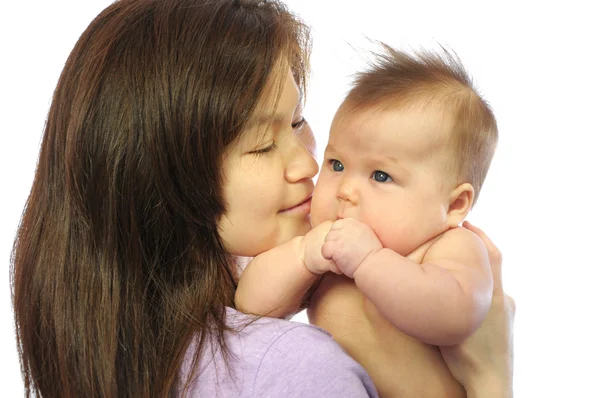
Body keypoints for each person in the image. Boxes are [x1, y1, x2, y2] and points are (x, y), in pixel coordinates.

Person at [9, 0, 514, 397]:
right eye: (262, 144)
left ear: (455, 203)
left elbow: (451, 309)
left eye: (298, 122)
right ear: (163, 178)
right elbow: (257, 302)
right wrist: (493, 382)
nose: (312, 167)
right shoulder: (291, 368)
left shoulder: (124, 352)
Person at [235, 45, 499, 396]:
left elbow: (457, 317)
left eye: (380, 176)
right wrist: (304, 255)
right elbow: (251, 305)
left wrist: (370, 261)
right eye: (337, 164)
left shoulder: (450, 247)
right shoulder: (326, 250)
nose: (345, 190)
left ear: (455, 205)